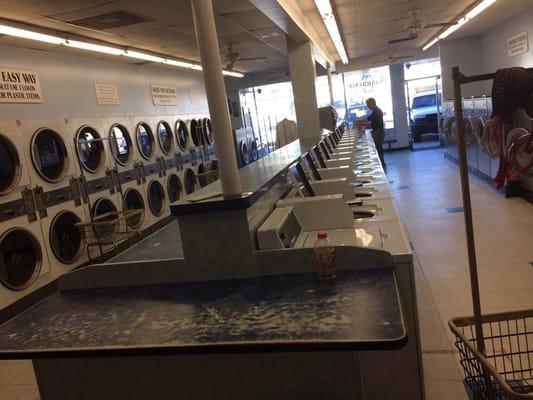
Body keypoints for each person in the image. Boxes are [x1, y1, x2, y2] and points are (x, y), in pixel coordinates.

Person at [357, 98, 386, 170]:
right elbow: (368, 119)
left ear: (371, 104)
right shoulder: (375, 111)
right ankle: (382, 164)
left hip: (378, 132)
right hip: (378, 132)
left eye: (368, 105)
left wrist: (359, 123)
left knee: (378, 149)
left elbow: (369, 122)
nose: (367, 106)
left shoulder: (376, 111)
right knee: (379, 149)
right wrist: (359, 122)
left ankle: (382, 164)